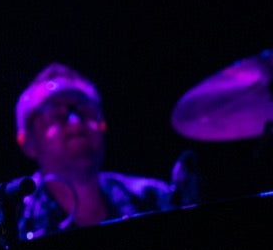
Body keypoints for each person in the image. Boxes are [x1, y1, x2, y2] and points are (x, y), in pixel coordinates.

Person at [12, 62, 173, 239]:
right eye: (55, 115)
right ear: (28, 142)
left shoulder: (154, 200)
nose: (75, 123)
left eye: (85, 110)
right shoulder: (13, 225)